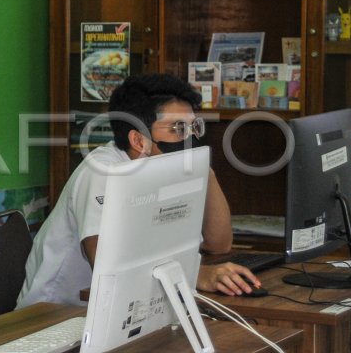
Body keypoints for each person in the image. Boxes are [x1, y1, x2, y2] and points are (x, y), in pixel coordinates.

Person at [17, 73, 259, 307]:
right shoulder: (102, 172)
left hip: (132, 309)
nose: (191, 138)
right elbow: (108, 267)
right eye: (178, 129)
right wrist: (196, 276)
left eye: (194, 127)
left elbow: (219, 244)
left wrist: (205, 170)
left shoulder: (169, 167)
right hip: (55, 315)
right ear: (138, 140)